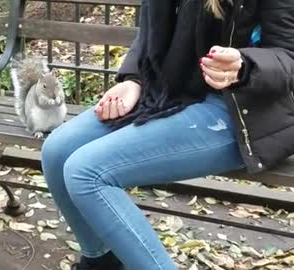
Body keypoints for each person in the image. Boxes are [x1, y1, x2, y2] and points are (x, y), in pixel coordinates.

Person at [40, 0, 294, 269]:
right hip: (164, 93)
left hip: (239, 110)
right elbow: (150, 34)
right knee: (57, 151)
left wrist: (244, 66)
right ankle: (101, 261)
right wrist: (134, 80)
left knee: (86, 173)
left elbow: (288, 56)